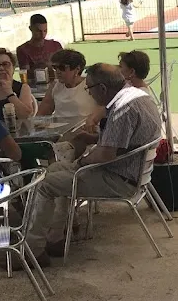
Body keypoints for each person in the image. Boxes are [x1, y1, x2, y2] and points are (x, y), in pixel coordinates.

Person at [24, 63, 162, 264]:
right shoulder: (138, 96)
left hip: (118, 178)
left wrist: (82, 162)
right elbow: (125, 141)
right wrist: (95, 139)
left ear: (103, 88)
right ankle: (57, 236)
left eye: (89, 88)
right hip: (132, 172)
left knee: (45, 185)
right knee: (54, 170)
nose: (89, 93)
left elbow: (105, 155)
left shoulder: (121, 109)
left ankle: (33, 251)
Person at [0, 48, 36, 121]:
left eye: (6, 64)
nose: (1, 68)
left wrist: (9, 93)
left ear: (13, 67)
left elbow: (26, 116)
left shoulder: (23, 88)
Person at [38, 49, 97, 119]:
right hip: (60, 125)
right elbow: (41, 115)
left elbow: (102, 109)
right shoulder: (55, 86)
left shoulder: (91, 85)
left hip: (85, 125)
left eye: (62, 68)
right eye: (55, 67)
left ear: (77, 69)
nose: (58, 71)